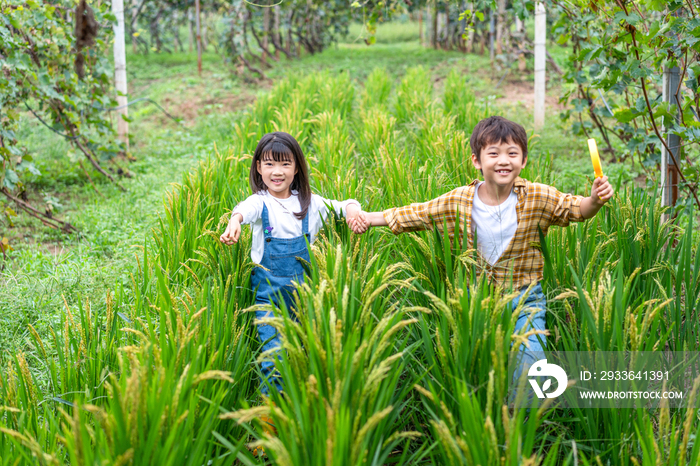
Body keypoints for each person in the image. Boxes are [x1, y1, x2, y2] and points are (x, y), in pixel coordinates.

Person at [349, 116, 614, 397]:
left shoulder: (538, 196)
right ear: (477, 160)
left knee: (532, 362)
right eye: (494, 153)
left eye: (512, 153)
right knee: (481, 366)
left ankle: (519, 419)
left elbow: (574, 210)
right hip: (476, 298)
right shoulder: (458, 201)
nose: (504, 160)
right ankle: (484, 410)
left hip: (525, 297)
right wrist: (367, 218)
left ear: (523, 161)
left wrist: (594, 200)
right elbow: (418, 213)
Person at [220, 131, 362, 397]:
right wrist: (234, 221)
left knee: (308, 360)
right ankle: (270, 425)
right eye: (270, 163)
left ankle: (302, 410)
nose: (277, 171)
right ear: (259, 167)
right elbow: (242, 210)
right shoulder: (260, 203)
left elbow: (344, 206)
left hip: (306, 301)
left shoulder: (311, 204)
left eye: (285, 164)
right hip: (269, 303)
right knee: (275, 359)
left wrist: (353, 210)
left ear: (297, 168)